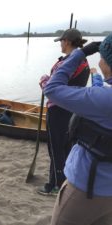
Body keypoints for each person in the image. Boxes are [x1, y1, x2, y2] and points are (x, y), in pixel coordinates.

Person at [43, 33, 112, 225]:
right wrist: (96, 79)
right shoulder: (103, 99)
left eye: (102, 58)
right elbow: (100, 98)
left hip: (85, 189)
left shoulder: (103, 100)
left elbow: (52, 89)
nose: (99, 63)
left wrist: (80, 54)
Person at [37, 29, 90, 196]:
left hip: (58, 110)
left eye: (61, 41)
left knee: (55, 148)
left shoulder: (66, 63)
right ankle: (66, 180)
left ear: (67, 41)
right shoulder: (83, 61)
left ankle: (55, 184)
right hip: (73, 110)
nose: (60, 44)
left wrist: (44, 79)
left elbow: (52, 89)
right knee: (67, 146)